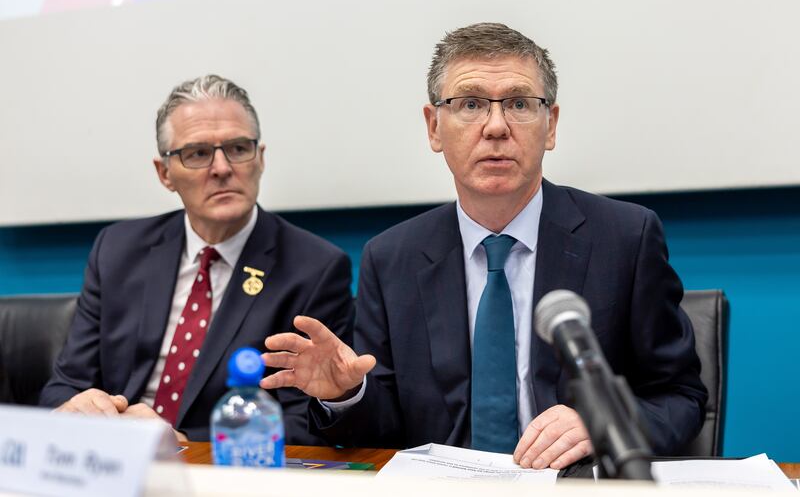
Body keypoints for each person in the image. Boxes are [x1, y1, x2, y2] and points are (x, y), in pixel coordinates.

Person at [260, 23, 707, 469]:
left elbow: (680, 397)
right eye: (470, 104)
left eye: (518, 103)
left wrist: (603, 422)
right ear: (434, 127)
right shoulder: (392, 258)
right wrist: (346, 394)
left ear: (550, 125)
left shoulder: (625, 238)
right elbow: (386, 426)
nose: (496, 126)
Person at [40, 74, 354, 443]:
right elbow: (64, 387)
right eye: (198, 153)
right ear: (165, 174)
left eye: (238, 148)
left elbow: (304, 423)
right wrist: (84, 410)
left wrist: (182, 443)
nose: (222, 168)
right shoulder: (118, 249)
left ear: (261, 159)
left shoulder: (314, 268)